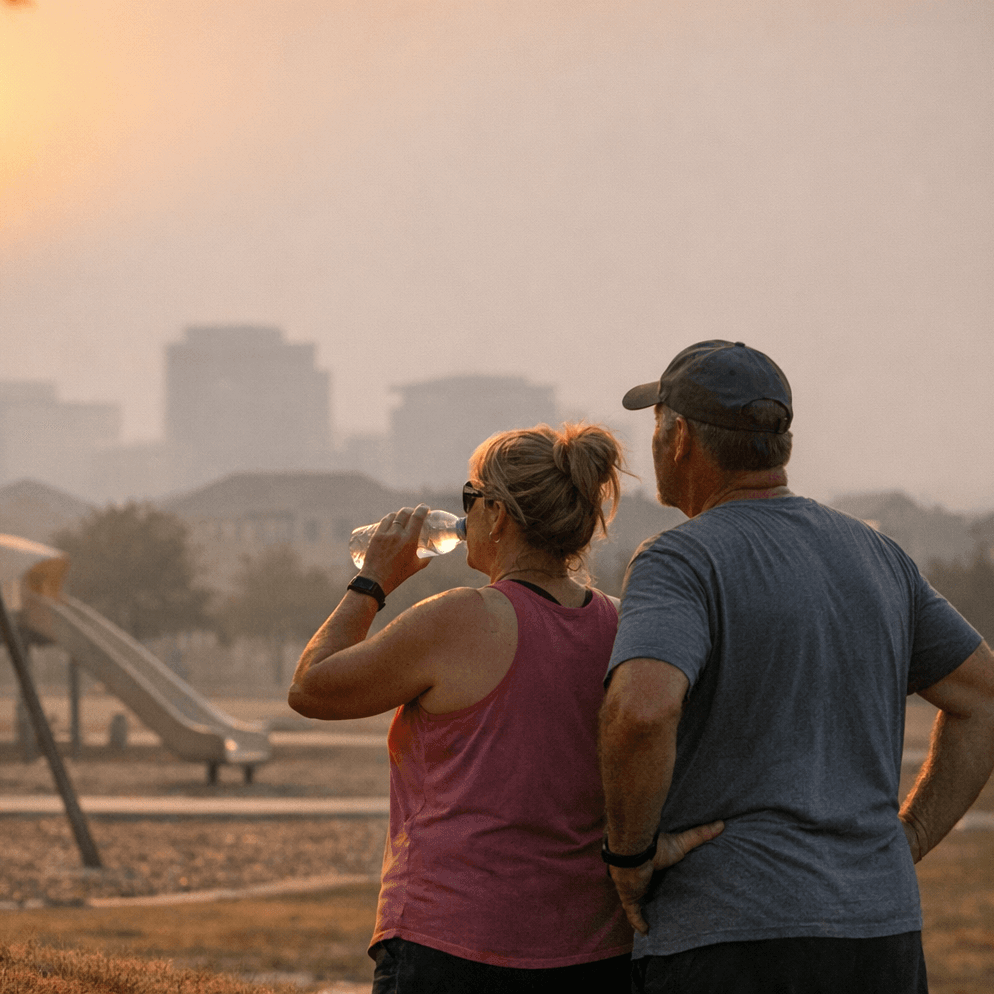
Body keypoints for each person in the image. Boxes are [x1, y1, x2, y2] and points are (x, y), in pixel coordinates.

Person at [600, 339, 994, 992]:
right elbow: (988, 698)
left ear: (679, 439)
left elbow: (642, 709)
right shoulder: (879, 557)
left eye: (656, 425)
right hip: (880, 938)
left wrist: (629, 856)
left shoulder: (680, 561)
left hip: (730, 935)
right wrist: (905, 840)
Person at [289, 422, 720, 993]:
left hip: (453, 943)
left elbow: (311, 687)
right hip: (594, 949)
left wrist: (372, 579)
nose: (463, 516)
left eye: (470, 498)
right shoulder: (625, 624)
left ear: (497, 514)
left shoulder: (461, 618)